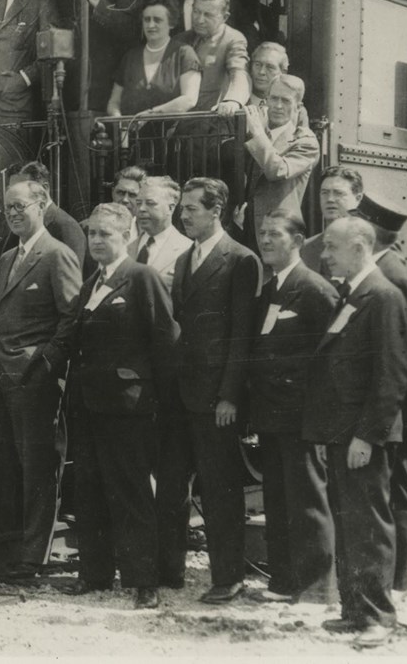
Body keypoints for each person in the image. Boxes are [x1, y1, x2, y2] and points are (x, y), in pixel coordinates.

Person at [61, 203, 175, 609]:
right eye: (92, 233)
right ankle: (95, 575)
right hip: (91, 406)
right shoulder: (92, 281)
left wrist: (159, 402)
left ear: (126, 237)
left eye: (106, 234)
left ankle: (145, 581)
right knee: (90, 492)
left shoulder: (142, 277)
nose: (96, 241)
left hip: (129, 408)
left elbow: (165, 340)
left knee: (131, 493)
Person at [304, 217, 407, 648]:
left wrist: (368, 436)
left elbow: (392, 376)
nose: (324, 255)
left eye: (331, 247)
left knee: (369, 524)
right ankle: (354, 610)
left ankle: (378, 616)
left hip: (361, 435)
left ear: (361, 247)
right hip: (342, 432)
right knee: (350, 523)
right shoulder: (355, 293)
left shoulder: (383, 297)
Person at [159, 177, 261, 602]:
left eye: (191, 209)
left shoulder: (240, 260)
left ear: (215, 211)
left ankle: (228, 577)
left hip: (215, 399)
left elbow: (242, 337)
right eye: (182, 209)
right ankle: (169, 571)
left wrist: (229, 396)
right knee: (170, 486)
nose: (183, 216)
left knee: (220, 490)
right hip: (181, 395)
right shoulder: (185, 260)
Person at [0, 178, 82, 577]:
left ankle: (32, 555)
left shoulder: (57, 255)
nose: (13, 213)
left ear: (42, 205)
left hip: (33, 379)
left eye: (21, 206)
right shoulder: (6, 258)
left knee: (37, 468)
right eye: (8, 207)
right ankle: (1, 544)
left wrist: (44, 365)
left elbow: (71, 318)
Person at [247, 210, 339, 605]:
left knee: (307, 502)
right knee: (279, 500)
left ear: (298, 241)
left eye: (275, 235)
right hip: (272, 415)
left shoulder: (314, 289)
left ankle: (317, 589)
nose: (265, 241)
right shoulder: (272, 289)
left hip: (301, 416)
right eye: (263, 234)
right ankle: (284, 581)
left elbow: (333, 358)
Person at [352, 194, 407, 602]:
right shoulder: (375, 269)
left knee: (395, 491)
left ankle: (397, 580)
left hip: (393, 407)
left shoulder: (394, 278)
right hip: (381, 405)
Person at [233, 74, 320, 250]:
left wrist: (258, 133)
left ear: (298, 106)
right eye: (274, 98)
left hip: (279, 235)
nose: (278, 106)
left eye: (286, 101)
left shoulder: (306, 142)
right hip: (246, 229)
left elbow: (277, 171)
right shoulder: (259, 132)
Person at [107, 0, 202, 116]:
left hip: (170, 133)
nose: (151, 25)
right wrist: (120, 124)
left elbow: (189, 100)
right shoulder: (130, 57)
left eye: (157, 20)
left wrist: (151, 114)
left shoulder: (184, 53)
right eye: (147, 19)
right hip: (131, 133)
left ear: (171, 24)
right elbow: (114, 102)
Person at [172, 0, 251, 114]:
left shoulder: (233, 40)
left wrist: (232, 101)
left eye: (208, 15)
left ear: (224, 17)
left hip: (212, 124)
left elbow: (240, 74)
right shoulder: (179, 39)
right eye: (196, 11)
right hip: (176, 125)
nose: (199, 20)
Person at [2, 162, 87, 267]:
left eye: (22, 189)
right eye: (12, 189)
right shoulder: (19, 221)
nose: (15, 195)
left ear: (45, 188)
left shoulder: (67, 227)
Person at [129, 176, 191, 291]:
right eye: (138, 203)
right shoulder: (125, 247)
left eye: (150, 203)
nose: (141, 209)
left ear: (171, 208)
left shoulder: (188, 250)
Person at [300, 166, 364, 273]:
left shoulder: (371, 246)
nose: (330, 199)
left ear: (358, 199)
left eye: (338, 193)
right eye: (324, 193)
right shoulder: (306, 248)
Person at [246, 43, 310, 128]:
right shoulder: (238, 103)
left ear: (283, 73)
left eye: (270, 67)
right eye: (257, 65)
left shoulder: (296, 111)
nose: (261, 72)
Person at [110, 164, 147, 244]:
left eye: (132, 195)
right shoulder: (89, 227)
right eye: (120, 193)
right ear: (112, 192)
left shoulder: (150, 233)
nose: (125, 200)